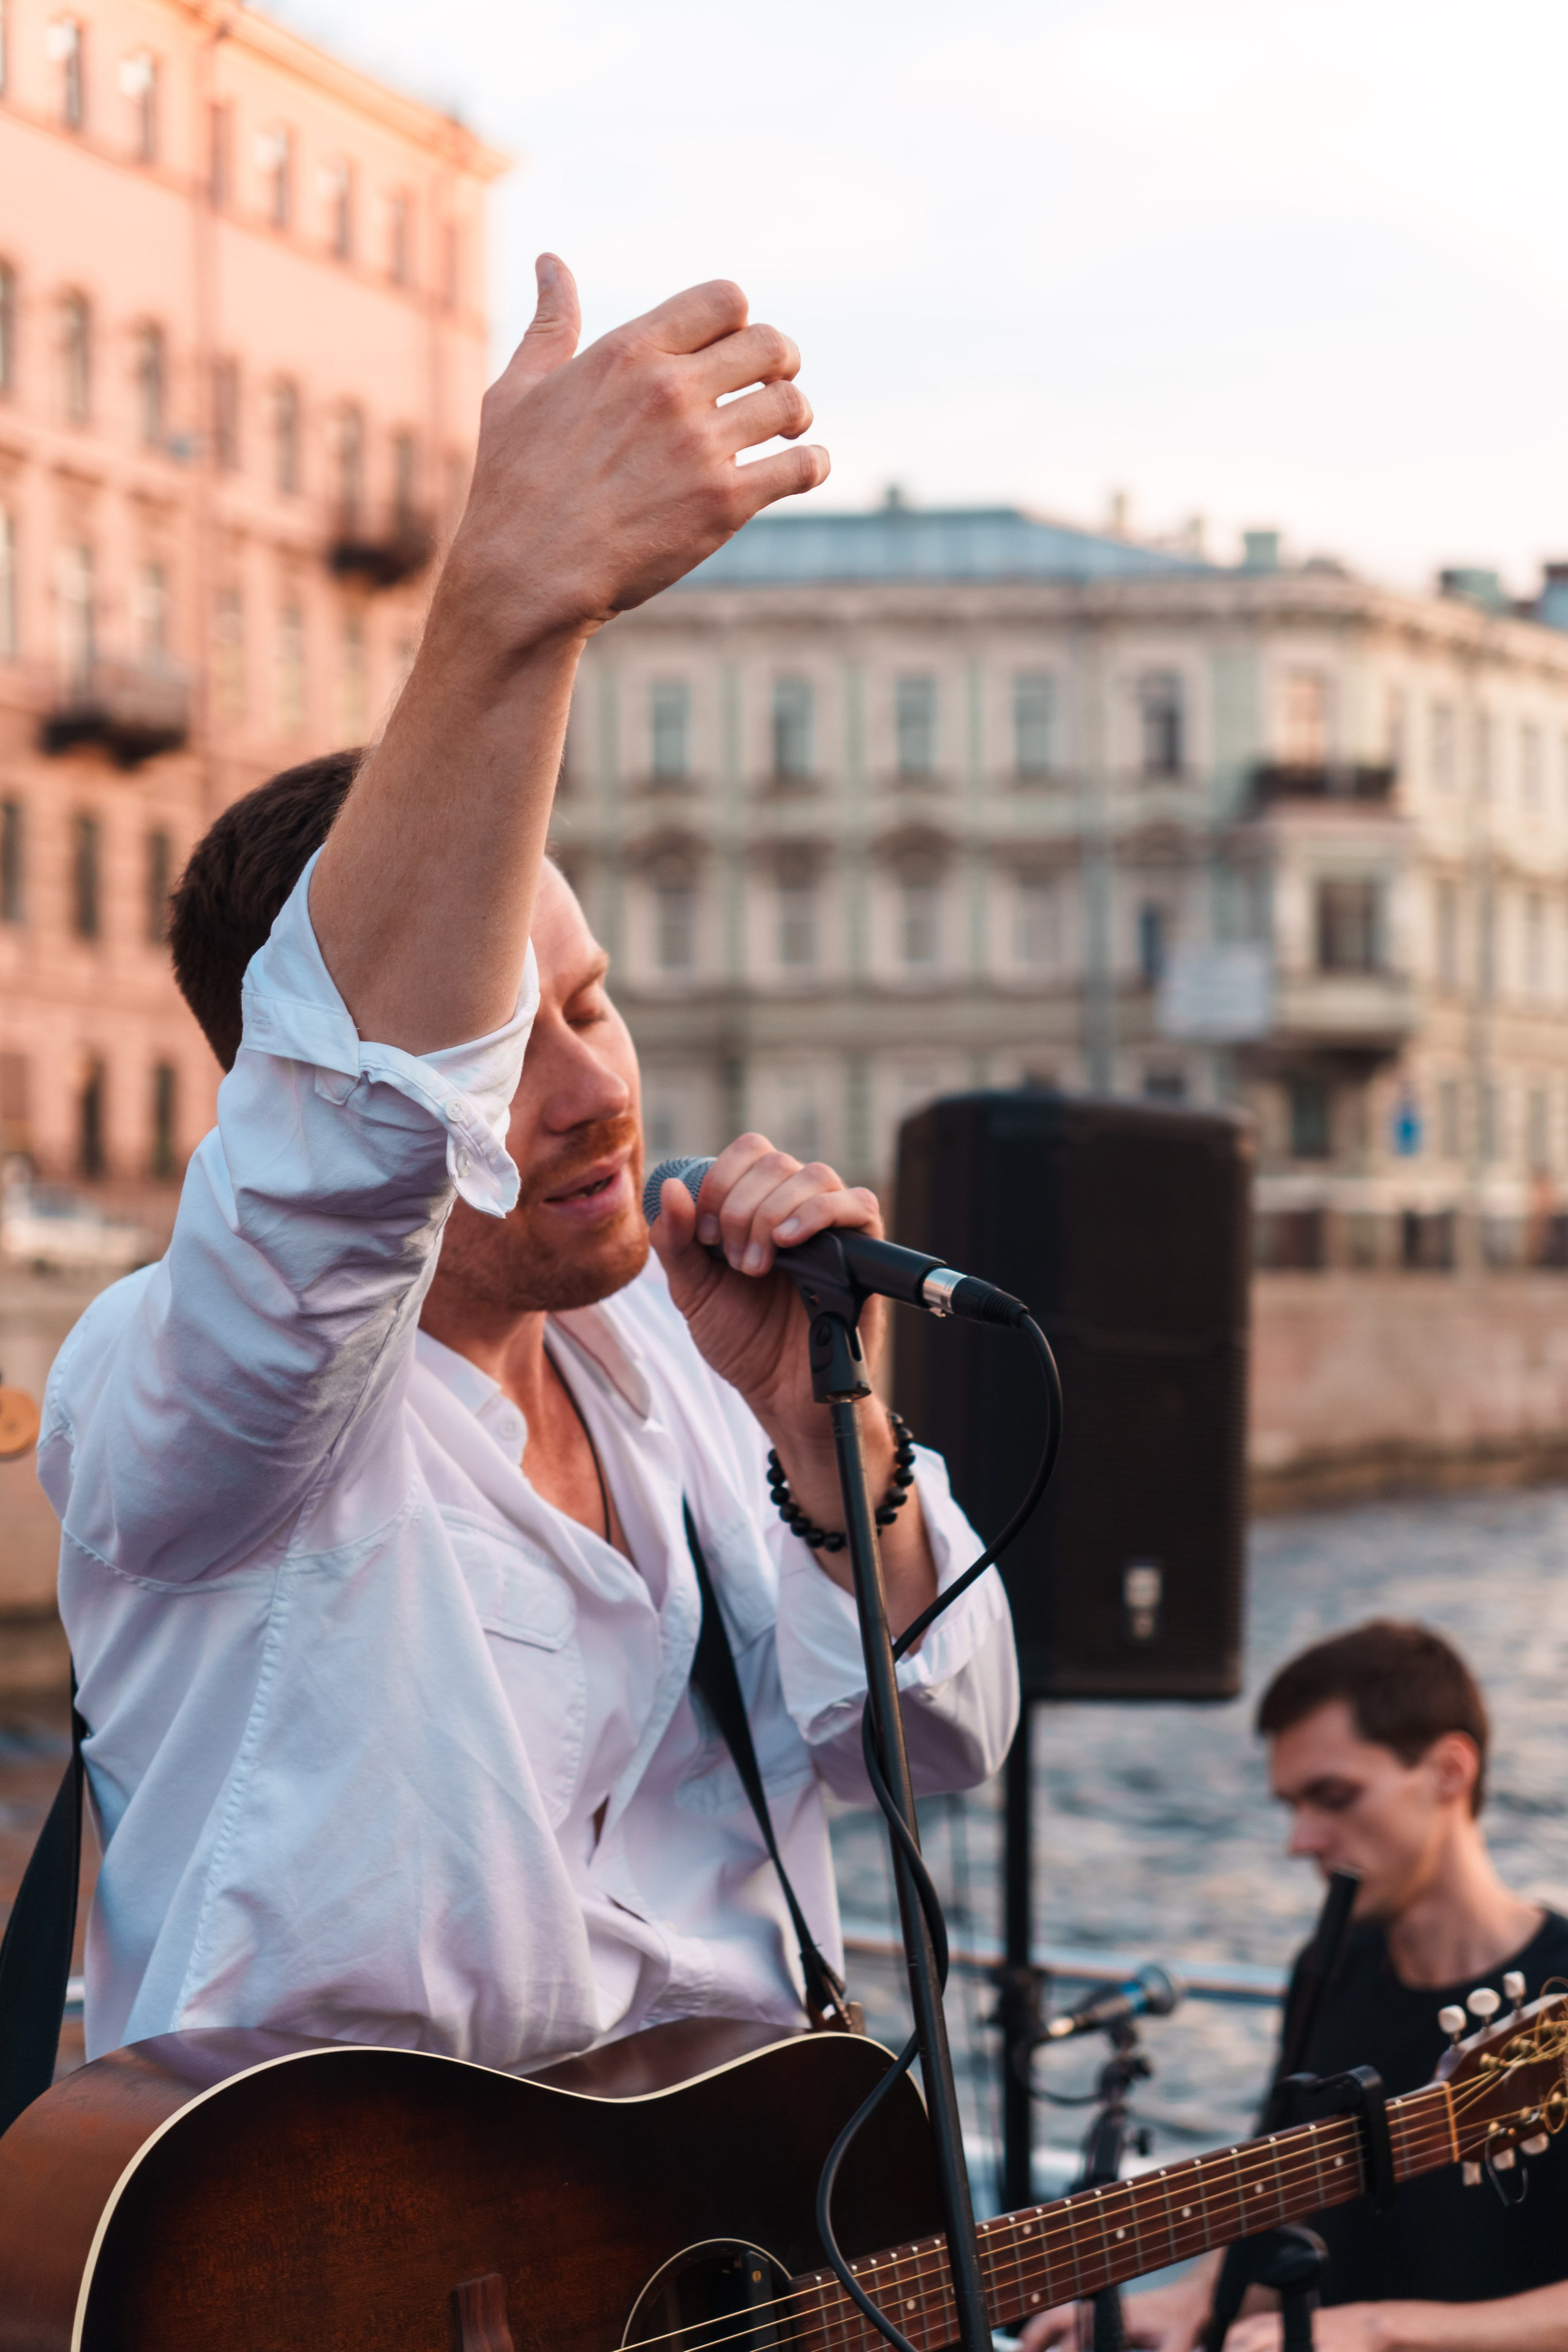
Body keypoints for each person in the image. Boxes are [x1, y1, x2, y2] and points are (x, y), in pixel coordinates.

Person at [40, 261, 1018, 2070]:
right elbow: (358, 1132)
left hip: (710, 2210)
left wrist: (822, 1424)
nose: (587, 1089)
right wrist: (515, 603)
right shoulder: (185, 1390)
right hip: (346, 2228)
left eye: (594, 1003)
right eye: (506, 1042)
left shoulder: (680, 1360)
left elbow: (946, 1735)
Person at [1023, 1620, 1568, 2352]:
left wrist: (1381, 2332)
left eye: (1333, 1796)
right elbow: (1287, 2195)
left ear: (1449, 1770)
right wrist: (1192, 2302)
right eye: (1292, 1806)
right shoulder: (1332, 1967)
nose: (1300, 1840)